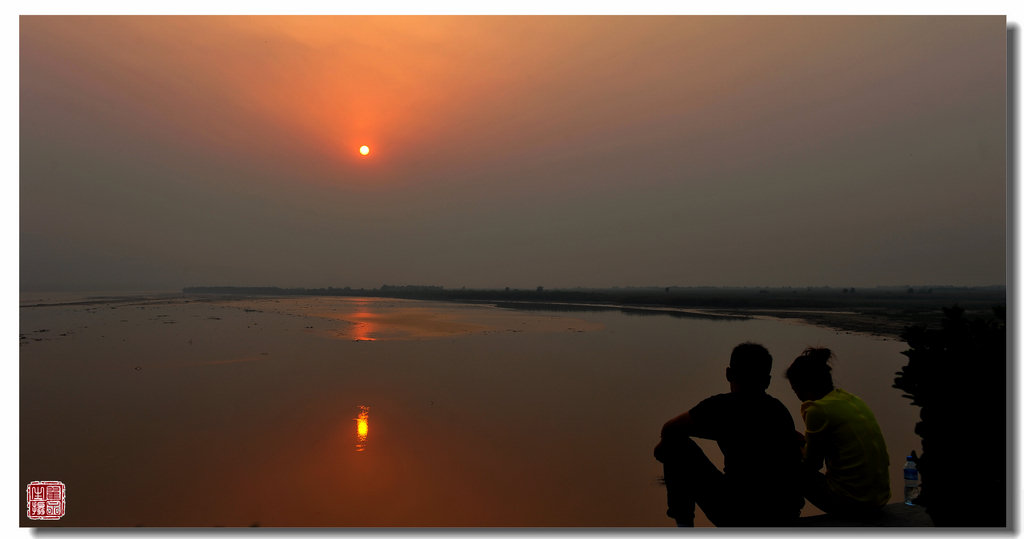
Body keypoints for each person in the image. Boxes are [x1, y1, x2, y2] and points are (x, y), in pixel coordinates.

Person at [654, 342, 804, 527]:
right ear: (767, 381)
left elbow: (668, 430)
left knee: (675, 446)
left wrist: (665, 448)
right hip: (785, 513)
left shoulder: (720, 407)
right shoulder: (779, 409)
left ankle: (684, 528)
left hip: (739, 515)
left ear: (728, 374)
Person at [785, 347, 891, 517]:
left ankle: (784, 518)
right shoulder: (851, 400)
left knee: (787, 467)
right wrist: (803, 441)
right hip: (878, 499)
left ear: (801, 386)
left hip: (854, 503)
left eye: (794, 389)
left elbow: (812, 465)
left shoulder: (817, 410)